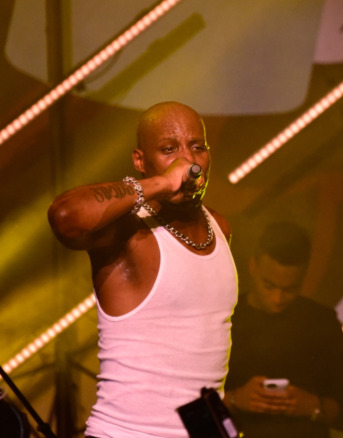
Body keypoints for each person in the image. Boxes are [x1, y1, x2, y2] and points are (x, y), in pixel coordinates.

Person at [47, 102, 237, 437]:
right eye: (169, 149)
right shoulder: (130, 230)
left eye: (197, 147)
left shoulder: (220, 226)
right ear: (140, 160)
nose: (188, 161)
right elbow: (65, 217)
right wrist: (161, 184)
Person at [223, 221, 343, 437]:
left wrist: (311, 406)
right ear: (253, 265)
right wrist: (235, 399)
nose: (277, 298)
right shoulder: (225, 318)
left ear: (304, 276)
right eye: (269, 285)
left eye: (290, 289)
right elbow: (188, 403)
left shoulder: (322, 321)